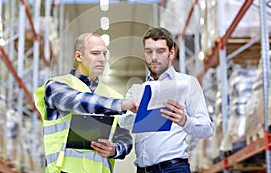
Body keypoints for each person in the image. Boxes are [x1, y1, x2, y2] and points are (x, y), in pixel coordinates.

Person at [34, 33, 138, 173]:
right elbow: (81, 101)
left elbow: (124, 137)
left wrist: (115, 149)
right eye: (95, 53)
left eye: (104, 54)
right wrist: (122, 105)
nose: (101, 59)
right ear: (79, 56)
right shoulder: (56, 87)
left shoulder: (113, 96)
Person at [118, 27, 213, 173]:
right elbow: (122, 122)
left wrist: (184, 120)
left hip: (173, 168)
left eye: (160, 51)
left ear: (171, 52)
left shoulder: (188, 83)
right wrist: (137, 112)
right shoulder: (137, 90)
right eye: (149, 51)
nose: (154, 57)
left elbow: (207, 129)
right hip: (141, 170)